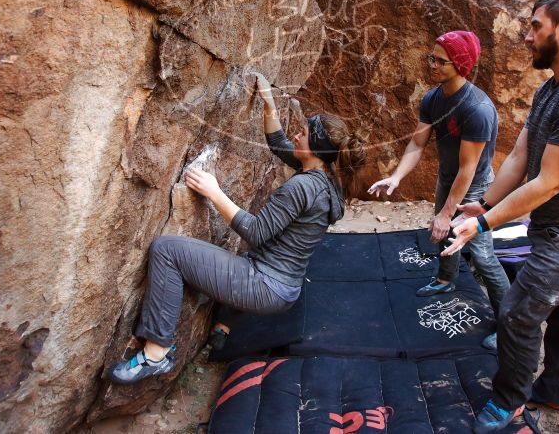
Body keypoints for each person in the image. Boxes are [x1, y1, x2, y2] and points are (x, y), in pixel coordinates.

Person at [445, 0, 559, 433]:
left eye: (535, 26)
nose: (526, 36)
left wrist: (484, 223)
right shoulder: (553, 88)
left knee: (517, 312)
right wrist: (486, 202)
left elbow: (550, 181)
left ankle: (509, 400)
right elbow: (520, 157)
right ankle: (558, 393)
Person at [108, 73, 366, 384]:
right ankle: (224, 324)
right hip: (284, 287)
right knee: (243, 256)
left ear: (316, 150)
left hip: (264, 286)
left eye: (303, 133)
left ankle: (155, 353)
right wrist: (269, 106)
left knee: (167, 250)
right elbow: (281, 145)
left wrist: (213, 191)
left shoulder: (301, 187)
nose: (297, 135)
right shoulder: (327, 180)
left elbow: (256, 232)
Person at [368, 30, 509, 350]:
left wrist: (447, 213)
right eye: (430, 57)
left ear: (459, 64)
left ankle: (510, 327)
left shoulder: (477, 109)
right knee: (444, 234)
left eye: (439, 60)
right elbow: (418, 143)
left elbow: (468, 169)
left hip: (475, 186)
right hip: (449, 178)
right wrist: (397, 177)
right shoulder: (433, 98)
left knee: (484, 257)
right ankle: (446, 279)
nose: (431, 64)